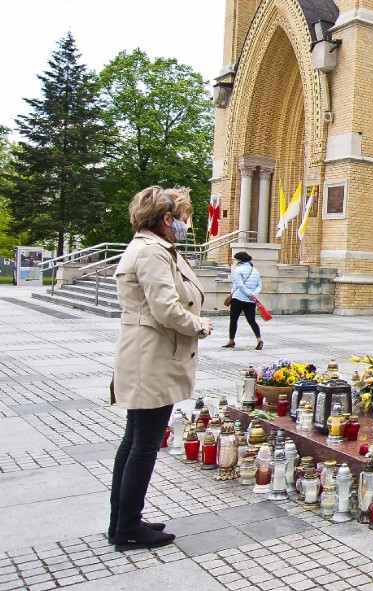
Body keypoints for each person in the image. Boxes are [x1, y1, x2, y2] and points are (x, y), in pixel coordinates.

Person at [109, 186, 213, 551]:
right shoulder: (152, 251)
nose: (187, 224)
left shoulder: (147, 247)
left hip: (145, 354)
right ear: (166, 219)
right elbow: (166, 309)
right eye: (184, 217)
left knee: (134, 441)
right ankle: (127, 528)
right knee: (144, 446)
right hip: (151, 357)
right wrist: (200, 325)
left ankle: (123, 521)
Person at [223, 251, 263, 350]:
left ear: (240, 260)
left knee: (233, 320)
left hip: (238, 298)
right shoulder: (255, 271)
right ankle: (259, 339)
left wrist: (249, 293)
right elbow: (259, 285)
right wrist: (253, 294)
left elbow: (239, 285)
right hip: (250, 301)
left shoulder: (238, 270)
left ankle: (231, 341)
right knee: (252, 321)